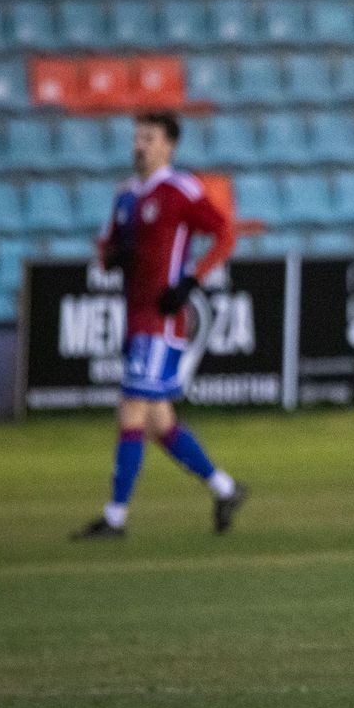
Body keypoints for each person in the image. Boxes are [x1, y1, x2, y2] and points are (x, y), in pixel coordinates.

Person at [70, 113, 247, 541]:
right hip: (135, 317)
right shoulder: (126, 195)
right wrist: (112, 256)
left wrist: (189, 282)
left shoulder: (180, 190)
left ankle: (115, 518)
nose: (139, 145)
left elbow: (225, 234)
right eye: (136, 138)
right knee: (159, 423)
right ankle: (226, 489)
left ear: (169, 146)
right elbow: (106, 250)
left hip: (161, 320)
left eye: (148, 138)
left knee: (131, 409)